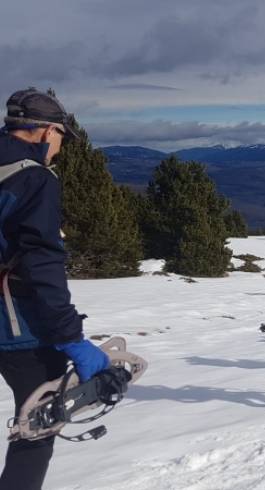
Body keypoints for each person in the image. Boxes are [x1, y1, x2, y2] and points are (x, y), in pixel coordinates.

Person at [0, 88, 112, 489]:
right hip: (17, 326)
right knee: (38, 423)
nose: (60, 150)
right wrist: (70, 337)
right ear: (47, 131)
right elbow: (42, 262)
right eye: (62, 138)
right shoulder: (33, 178)